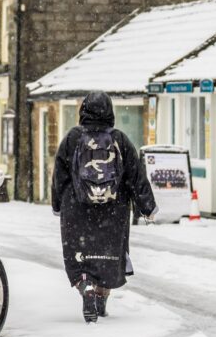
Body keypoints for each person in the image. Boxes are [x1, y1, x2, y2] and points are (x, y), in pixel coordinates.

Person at [52, 91, 156, 323]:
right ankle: (100, 299)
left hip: (76, 208)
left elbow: (59, 174)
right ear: (110, 112)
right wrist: (147, 206)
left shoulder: (72, 138)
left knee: (80, 256)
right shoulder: (119, 139)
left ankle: (85, 286)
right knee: (107, 256)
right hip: (113, 209)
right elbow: (135, 175)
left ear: (83, 110)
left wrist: (58, 203)